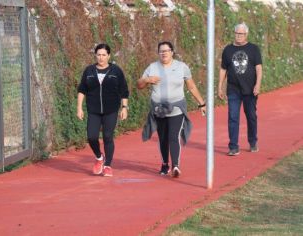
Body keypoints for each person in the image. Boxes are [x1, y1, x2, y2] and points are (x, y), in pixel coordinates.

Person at [137, 41, 206, 178]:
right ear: (158, 53)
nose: (164, 53)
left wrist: (202, 104)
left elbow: (191, 87)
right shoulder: (152, 67)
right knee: (163, 138)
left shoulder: (181, 67)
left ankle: (176, 166)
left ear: (172, 52)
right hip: (159, 109)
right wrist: (147, 80)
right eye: (161, 51)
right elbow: (139, 84)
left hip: (176, 108)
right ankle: (164, 163)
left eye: (166, 51)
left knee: (173, 136)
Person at [77, 43, 129, 177]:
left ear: (109, 56)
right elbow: (82, 90)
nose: (101, 58)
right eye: (98, 55)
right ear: (95, 55)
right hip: (93, 110)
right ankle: (99, 157)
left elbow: (124, 90)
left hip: (111, 110)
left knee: (107, 136)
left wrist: (124, 108)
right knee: (91, 137)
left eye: (104, 55)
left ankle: (108, 165)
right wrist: (79, 108)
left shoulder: (116, 71)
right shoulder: (89, 71)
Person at [218, 23, 263, 156]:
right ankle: (233, 146)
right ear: (234, 33)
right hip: (233, 89)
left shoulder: (253, 49)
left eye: (242, 33)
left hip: (250, 90)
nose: (239, 35)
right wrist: (220, 86)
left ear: (246, 34)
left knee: (251, 116)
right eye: (237, 33)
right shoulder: (227, 50)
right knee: (233, 117)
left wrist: (258, 85)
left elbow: (258, 69)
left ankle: (253, 141)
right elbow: (223, 69)